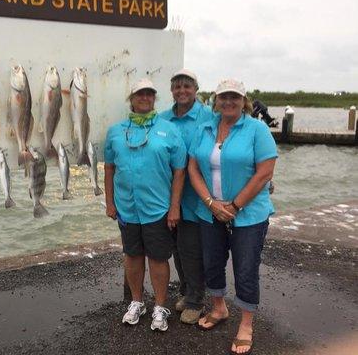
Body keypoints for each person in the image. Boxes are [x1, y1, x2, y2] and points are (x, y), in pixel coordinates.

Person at [187, 79, 277, 355]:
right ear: (216, 100)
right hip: (209, 211)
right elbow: (193, 168)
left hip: (248, 214)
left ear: (244, 101)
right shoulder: (204, 128)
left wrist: (235, 206)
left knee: (246, 268)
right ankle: (219, 308)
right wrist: (210, 203)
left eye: (234, 97)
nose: (228, 102)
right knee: (212, 263)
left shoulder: (257, 129)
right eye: (223, 97)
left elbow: (265, 172)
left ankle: (246, 325)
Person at [104, 77, 186, 332]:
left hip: (157, 208)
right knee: (132, 255)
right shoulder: (116, 131)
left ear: (154, 98)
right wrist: (110, 202)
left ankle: (159, 306)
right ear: (132, 98)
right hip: (127, 208)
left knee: (158, 258)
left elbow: (180, 171)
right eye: (140, 94)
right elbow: (109, 167)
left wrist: (175, 207)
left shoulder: (169, 130)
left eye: (150, 94)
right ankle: (137, 301)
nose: (145, 98)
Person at [159, 69, 213, 324]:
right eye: (177, 86)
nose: (182, 91)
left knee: (190, 248)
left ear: (196, 89)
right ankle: (186, 290)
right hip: (168, 193)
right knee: (176, 248)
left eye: (187, 86)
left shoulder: (208, 115)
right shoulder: (162, 119)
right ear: (171, 91)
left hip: (196, 193)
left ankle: (196, 300)